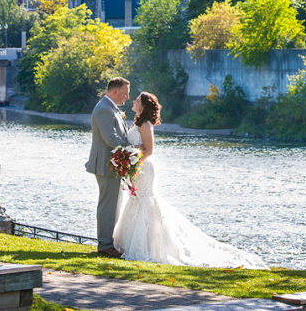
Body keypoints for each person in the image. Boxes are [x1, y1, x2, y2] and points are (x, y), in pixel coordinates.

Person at [112, 91, 267, 269]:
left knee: (145, 200)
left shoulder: (146, 125)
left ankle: (150, 246)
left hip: (144, 168)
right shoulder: (137, 122)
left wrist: (132, 161)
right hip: (137, 168)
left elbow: (149, 150)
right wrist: (127, 160)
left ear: (144, 106)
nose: (134, 101)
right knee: (136, 199)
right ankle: (131, 243)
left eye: (137, 100)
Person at [85, 76, 131, 257]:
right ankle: (105, 245)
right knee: (107, 206)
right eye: (125, 94)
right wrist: (134, 149)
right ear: (115, 91)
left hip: (112, 165)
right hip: (106, 165)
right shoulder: (104, 109)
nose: (127, 97)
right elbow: (110, 139)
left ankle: (109, 242)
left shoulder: (111, 108)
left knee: (112, 205)